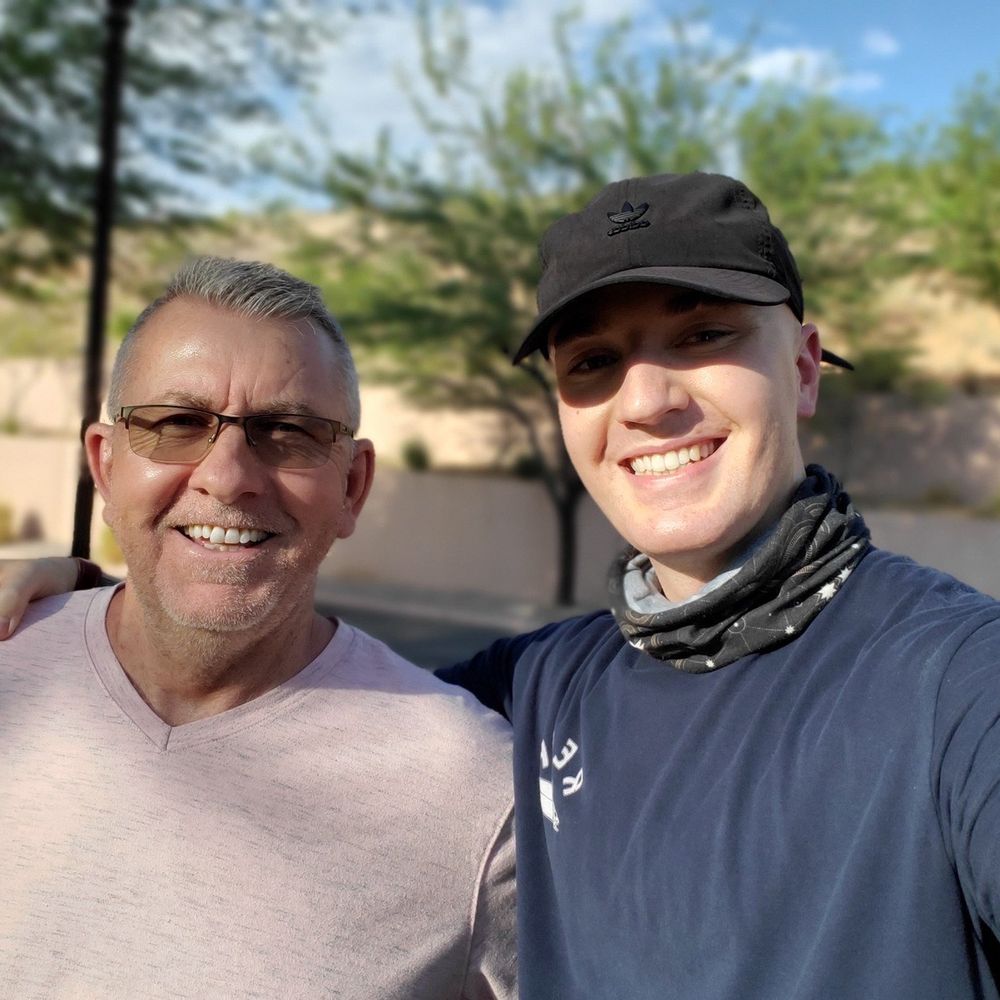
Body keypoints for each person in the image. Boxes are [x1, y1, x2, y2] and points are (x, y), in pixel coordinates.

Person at [5, 172, 1000, 999]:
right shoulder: (534, 690)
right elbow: (281, 677)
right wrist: (84, 597)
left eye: (703, 336)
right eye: (594, 361)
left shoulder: (954, 678)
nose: (648, 400)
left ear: (805, 367)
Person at [0, 257, 517, 999]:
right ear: (105, 467)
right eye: (177, 423)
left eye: (288, 431)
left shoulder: (474, 796)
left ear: (352, 486)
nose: (228, 476)